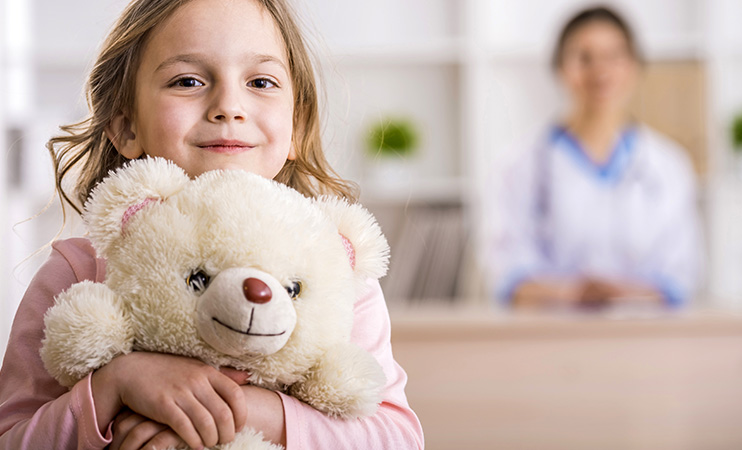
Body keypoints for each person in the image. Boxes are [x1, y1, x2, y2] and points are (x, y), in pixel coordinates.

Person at [0, 0, 424, 448]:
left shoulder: (332, 270)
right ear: (125, 127)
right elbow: (12, 437)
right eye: (188, 81)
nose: (228, 106)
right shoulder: (77, 274)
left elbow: (395, 437)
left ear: (296, 126)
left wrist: (240, 410)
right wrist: (114, 387)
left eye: (260, 82)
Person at [485, 6, 702, 310]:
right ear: (559, 68)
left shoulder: (668, 165)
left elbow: (680, 278)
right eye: (583, 58)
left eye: (615, 56)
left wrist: (619, 294)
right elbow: (507, 276)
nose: (600, 71)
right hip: (549, 341)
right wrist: (572, 294)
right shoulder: (520, 164)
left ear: (635, 67)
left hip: (644, 339)